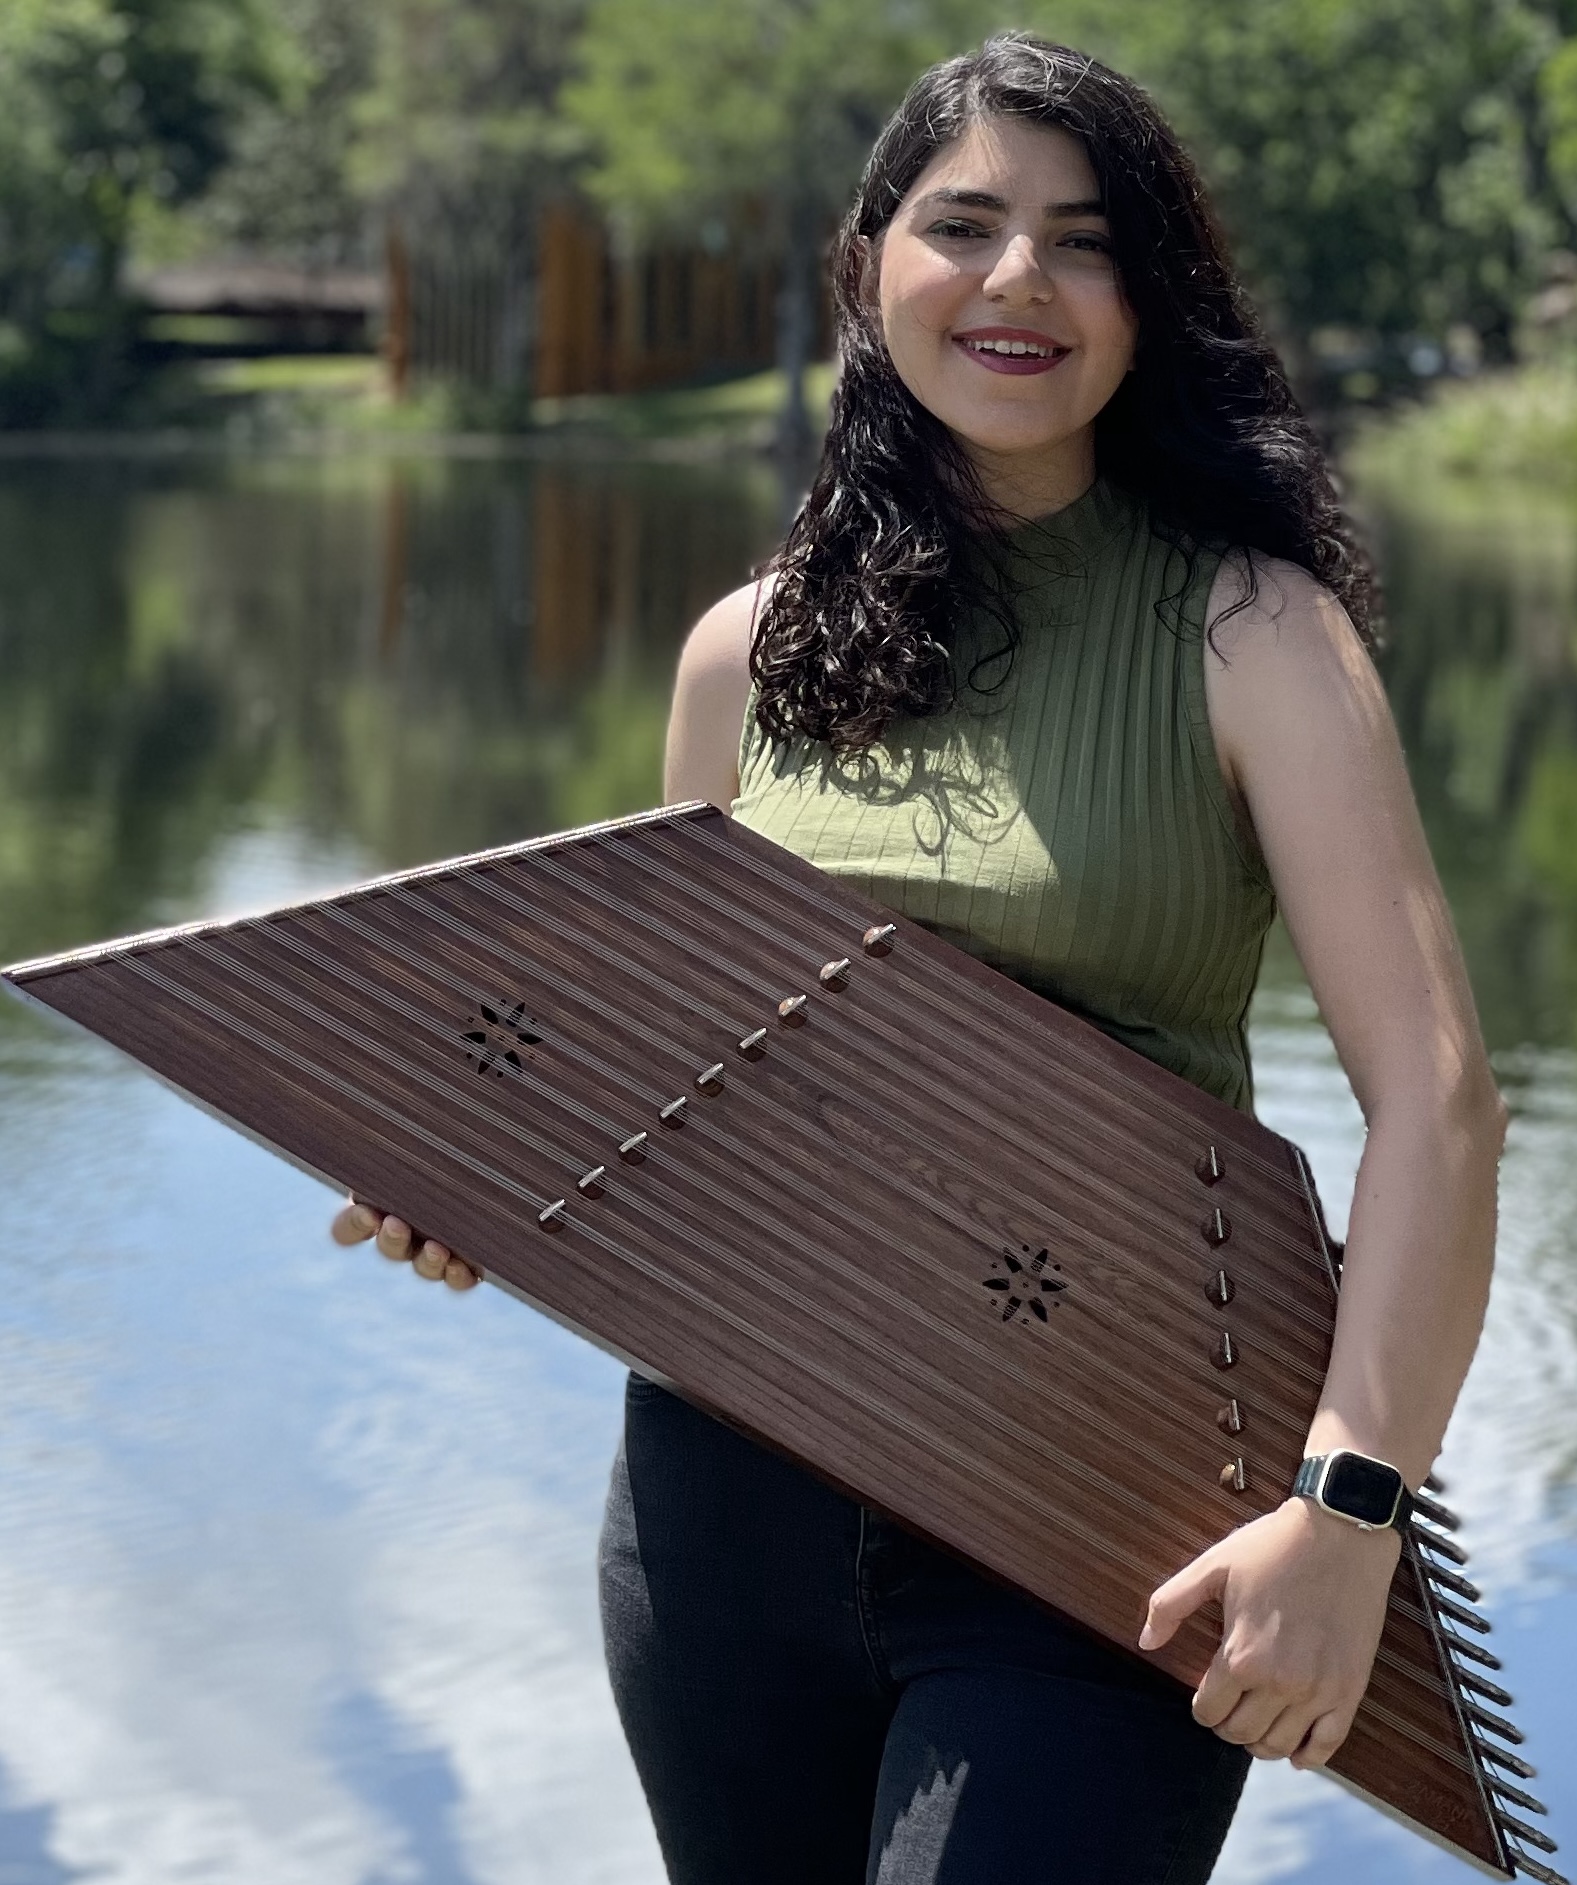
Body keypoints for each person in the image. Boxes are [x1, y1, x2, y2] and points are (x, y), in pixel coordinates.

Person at [332, 33, 1505, 1885]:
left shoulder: (1256, 635)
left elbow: (1439, 1109)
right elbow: (686, 1096)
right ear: (875, 266)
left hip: (1099, 1531)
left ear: (1149, 302)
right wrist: (485, 1188)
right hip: (718, 1521)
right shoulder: (745, 653)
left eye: (1083, 238)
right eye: (964, 224)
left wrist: (1348, 1513)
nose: (1018, 278)